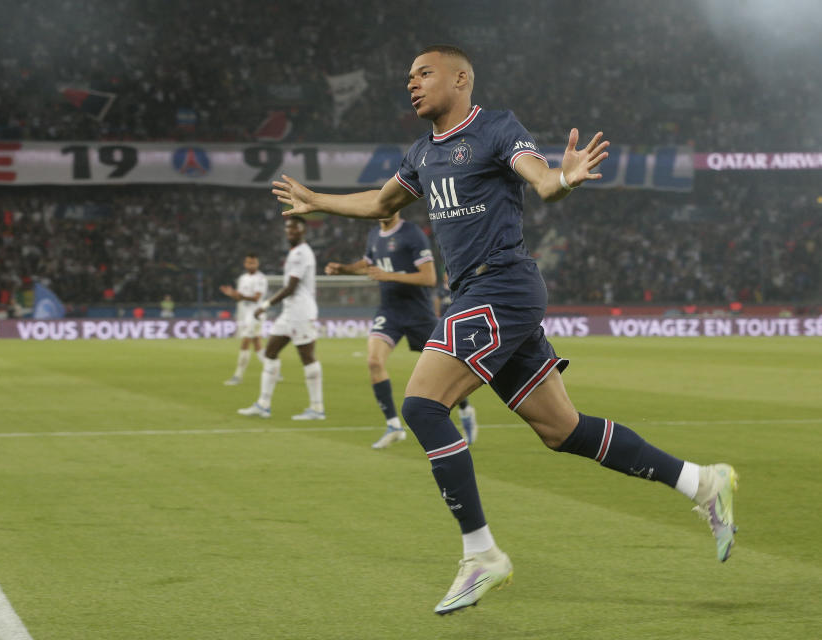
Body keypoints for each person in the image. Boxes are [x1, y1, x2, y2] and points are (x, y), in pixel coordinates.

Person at [271, 45, 737, 615]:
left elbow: (541, 181)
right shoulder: (423, 152)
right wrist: (314, 200)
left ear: (460, 77)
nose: (412, 84)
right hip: (480, 295)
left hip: (502, 288)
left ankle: (481, 555)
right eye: (408, 77)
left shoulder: (495, 129)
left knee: (421, 406)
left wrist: (564, 177)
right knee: (562, 430)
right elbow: (380, 202)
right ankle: (701, 481)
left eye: (424, 73)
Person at [324, 212, 478, 449]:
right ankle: (394, 426)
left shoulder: (411, 234)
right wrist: (343, 269)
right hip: (390, 311)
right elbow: (368, 264)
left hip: (418, 313)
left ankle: (466, 410)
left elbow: (428, 278)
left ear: (396, 207)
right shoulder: (375, 234)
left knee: (446, 369)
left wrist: (388, 276)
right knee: (374, 362)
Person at [238, 216, 324, 420]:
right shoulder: (295, 252)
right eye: (288, 229)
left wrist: (265, 305)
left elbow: (291, 287)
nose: (290, 232)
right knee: (270, 352)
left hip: (301, 313)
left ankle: (317, 408)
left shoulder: (301, 253)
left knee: (307, 356)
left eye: (295, 228)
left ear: (303, 231)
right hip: (289, 313)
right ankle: (263, 404)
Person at [220, 253, 269, 385]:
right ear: (244, 263)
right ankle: (273, 370)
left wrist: (240, 296)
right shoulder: (242, 278)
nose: (250, 265)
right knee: (257, 344)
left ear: (257, 264)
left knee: (245, 342)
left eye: (253, 263)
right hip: (247, 314)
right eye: (248, 262)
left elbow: (256, 298)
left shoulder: (260, 278)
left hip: (256, 314)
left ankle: (238, 376)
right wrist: (232, 294)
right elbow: (239, 297)